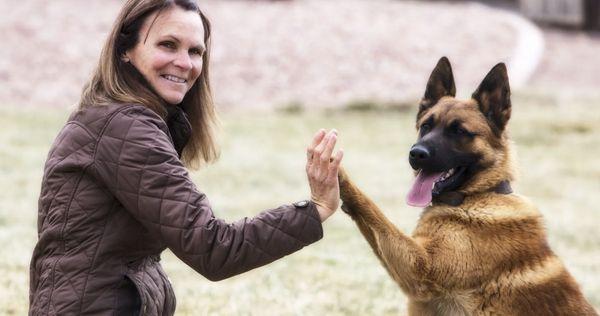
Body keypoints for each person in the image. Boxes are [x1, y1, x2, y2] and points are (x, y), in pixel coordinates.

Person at [28, 0, 343, 315]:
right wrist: (314, 210)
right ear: (125, 50)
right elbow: (213, 249)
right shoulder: (124, 128)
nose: (184, 62)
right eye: (168, 45)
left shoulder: (116, 119)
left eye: (195, 52)